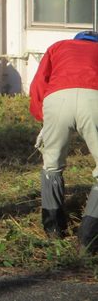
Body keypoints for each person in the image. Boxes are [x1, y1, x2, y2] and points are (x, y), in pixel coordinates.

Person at [29, 31, 98, 253]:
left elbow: (38, 84)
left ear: (76, 40)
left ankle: (53, 232)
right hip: (94, 97)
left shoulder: (58, 47)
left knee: (51, 165)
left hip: (57, 98)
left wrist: (44, 119)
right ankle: (88, 239)